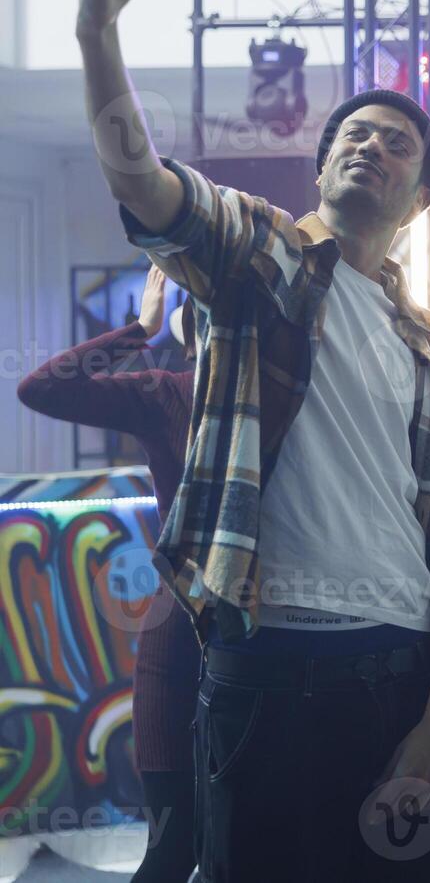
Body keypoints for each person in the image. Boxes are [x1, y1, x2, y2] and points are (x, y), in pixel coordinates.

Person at [77, 0, 430, 878]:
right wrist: (96, 31)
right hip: (265, 661)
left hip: (400, 664)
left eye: (396, 145)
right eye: (355, 135)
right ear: (320, 166)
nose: (371, 148)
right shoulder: (261, 257)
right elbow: (139, 177)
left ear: (421, 192)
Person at [18, 264, 199, 883]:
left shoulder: (296, 402)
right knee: (174, 849)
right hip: (178, 639)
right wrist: (139, 329)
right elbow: (42, 389)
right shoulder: (173, 391)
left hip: (271, 643)